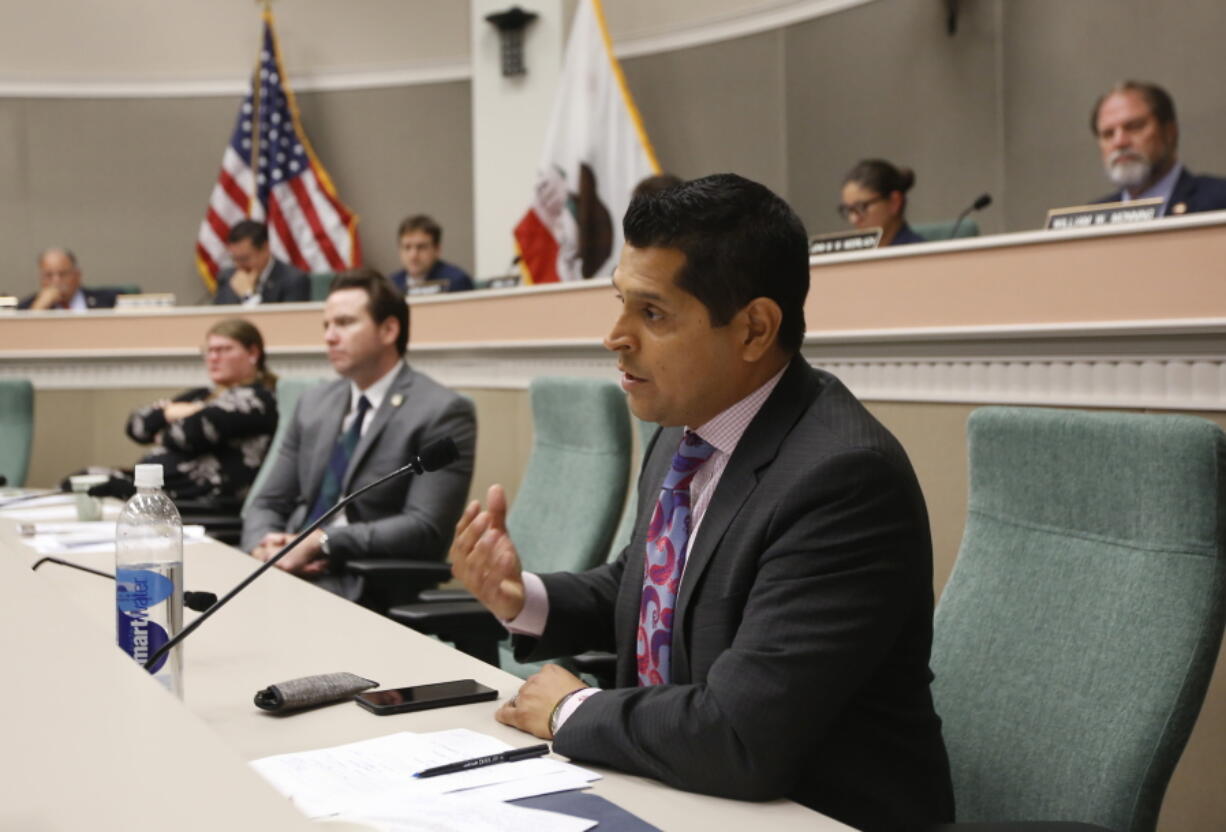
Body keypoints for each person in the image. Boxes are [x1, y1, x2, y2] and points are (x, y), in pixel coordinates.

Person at [451, 174, 954, 831]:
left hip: (810, 813)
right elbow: (654, 588)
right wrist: (524, 596)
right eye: (620, 303)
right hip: (675, 794)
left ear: (754, 329)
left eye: (652, 314)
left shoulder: (843, 479)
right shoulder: (683, 433)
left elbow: (742, 737)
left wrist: (572, 710)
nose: (615, 336)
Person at [242, 268, 476, 600]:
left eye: (345, 323)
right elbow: (267, 501)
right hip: (285, 571)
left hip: (363, 582)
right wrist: (263, 545)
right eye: (326, 325)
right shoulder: (314, 403)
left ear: (389, 329)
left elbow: (425, 528)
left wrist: (323, 543)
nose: (330, 337)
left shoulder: (442, 411)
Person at [125, 318, 277, 507]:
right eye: (209, 351)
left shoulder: (259, 399)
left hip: (202, 500)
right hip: (160, 491)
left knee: (95, 485)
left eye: (224, 350)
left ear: (253, 353)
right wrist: (172, 414)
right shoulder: (204, 394)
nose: (213, 358)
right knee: (88, 478)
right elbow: (136, 426)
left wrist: (165, 423)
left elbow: (190, 432)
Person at [1090, 80, 1226, 215]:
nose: (1119, 142)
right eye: (1108, 134)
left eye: (1134, 127)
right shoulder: (1090, 220)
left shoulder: (1219, 200)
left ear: (1169, 132)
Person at [212, 220, 311, 305]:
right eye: (234, 259)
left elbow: (287, 323)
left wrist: (248, 296)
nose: (239, 265)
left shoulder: (293, 280)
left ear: (265, 248)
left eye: (244, 259)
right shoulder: (227, 277)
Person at [839, 159, 925, 246]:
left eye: (861, 207)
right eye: (849, 210)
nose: (853, 219)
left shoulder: (918, 253)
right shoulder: (852, 255)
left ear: (894, 202)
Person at [388, 215, 474, 295]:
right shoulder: (390, 285)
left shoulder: (456, 281)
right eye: (407, 247)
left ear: (437, 250)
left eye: (421, 247)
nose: (413, 255)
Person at [18, 248, 117, 310]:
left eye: (62, 274)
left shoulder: (107, 300)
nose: (56, 281)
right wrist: (38, 310)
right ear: (41, 278)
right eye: (49, 275)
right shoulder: (26, 307)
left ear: (78, 275)